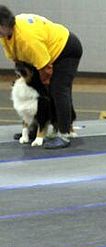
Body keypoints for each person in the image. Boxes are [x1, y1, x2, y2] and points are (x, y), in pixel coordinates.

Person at [0, 5, 83, 149]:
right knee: (44, 92)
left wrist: (44, 90)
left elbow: (45, 69)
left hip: (66, 49)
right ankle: (35, 129)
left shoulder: (27, 39)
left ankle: (64, 134)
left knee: (57, 90)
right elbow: (18, 60)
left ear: (2, 25)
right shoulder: (6, 36)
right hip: (47, 53)